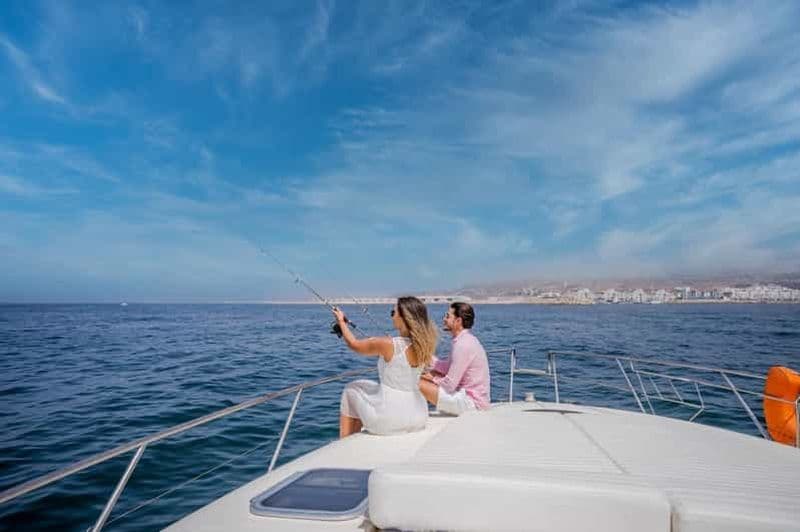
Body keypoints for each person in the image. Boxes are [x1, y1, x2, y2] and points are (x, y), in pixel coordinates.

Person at [335, 296, 438, 438]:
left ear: (404, 318)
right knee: (367, 385)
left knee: (350, 390)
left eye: (393, 313)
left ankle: (344, 442)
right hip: (418, 415)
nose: (391, 317)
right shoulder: (425, 346)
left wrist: (341, 321)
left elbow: (354, 344)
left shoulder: (388, 344)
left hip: (389, 419)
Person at [419, 302, 490, 415]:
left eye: (447, 316)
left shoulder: (462, 345)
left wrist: (430, 378)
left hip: (472, 404)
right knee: (426, 375)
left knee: (416, 382)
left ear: (458, 321)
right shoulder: (465, 339)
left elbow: (449, 385)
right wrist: (427, 357)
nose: (444, 319)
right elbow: (448, 367)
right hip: (472, 399)